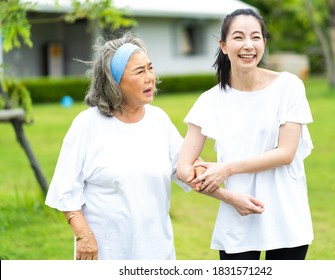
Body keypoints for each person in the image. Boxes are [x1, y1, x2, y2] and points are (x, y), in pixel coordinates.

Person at [45, 31, 263, 260]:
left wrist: (230, 196)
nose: (151, 77)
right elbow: (66, 189)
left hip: (157, 252)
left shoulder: (158, 120)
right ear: (114, 81)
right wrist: (83, 236)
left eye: (150, 68)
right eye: (140, 71)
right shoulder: (87, 125)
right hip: (106, 252)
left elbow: (187, 171)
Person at [177, 8, 314, 260]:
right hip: (236, 219)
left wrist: (225, 169)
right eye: (238, 37)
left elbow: (286, 153)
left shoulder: (289, 86)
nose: (248, 45)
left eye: (255, 37)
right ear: (224, 45)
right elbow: (183, 169)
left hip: (286, 217)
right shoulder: (210, 100)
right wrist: (227, 196)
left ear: (264, 43)